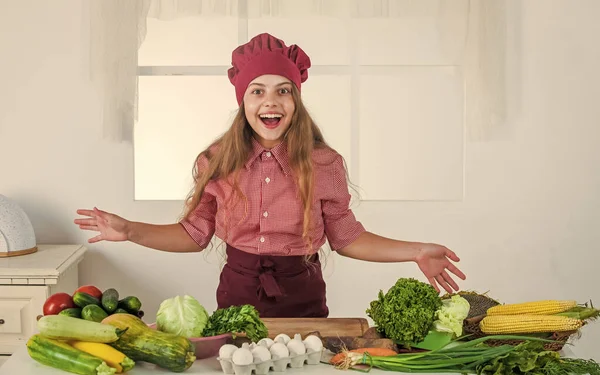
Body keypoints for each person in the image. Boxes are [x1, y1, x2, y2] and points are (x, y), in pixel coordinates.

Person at [75, 33, 466, 318]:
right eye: (257, 92)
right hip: (237, 296)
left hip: (304, 298)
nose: (270, 101)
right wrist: (131, 231)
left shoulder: (324, 163)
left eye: (283, 91)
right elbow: (194, 235)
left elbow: (347, 238)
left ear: (296, 100)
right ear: (243, 101)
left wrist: (414, 250)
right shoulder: (215, 162)